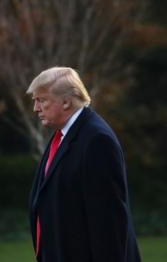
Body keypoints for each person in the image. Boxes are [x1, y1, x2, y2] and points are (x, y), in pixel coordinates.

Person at [27, 67, 141, 262]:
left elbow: (108, 222)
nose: (36, 108)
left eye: (42, 100)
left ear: (66, 102)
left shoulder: (97, 140)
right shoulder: (64, 134)